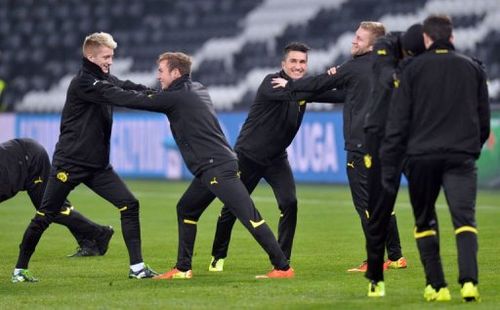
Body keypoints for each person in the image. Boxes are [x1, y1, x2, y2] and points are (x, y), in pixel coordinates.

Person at [91, 51, 294, 279]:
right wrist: (113, 81)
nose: (158, 76)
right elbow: (149, 93)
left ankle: (283, 268)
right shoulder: (196, 88)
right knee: (187, 208)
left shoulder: (176, 98)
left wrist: (98, 87)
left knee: (249, 215)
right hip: (213, 166)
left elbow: (133, 100)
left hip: (216, 167)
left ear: (175, 72)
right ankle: (183, 268)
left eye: (161, 71)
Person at [10, 32, 158, 283]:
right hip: (70, 163)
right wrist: (157, 104)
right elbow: (119, 95)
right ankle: (19, 270)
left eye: (112, 56)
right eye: (106, 56)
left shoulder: (103, 78)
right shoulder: (83, 83)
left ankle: (137, 268)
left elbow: (125, 85)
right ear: (90, 56)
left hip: (98, 166)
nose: (110, 61)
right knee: (46, 214)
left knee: (129, 204)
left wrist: (155, 93)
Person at [272, 21, 406, 273]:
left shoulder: (354, 67)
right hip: (387, 145)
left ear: (372, 44)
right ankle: (396, 256)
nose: (354, 41)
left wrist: (291, 86)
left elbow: (322, 82)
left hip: (360, 145)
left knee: (365, 205)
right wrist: (302, 94)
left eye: (359, 38)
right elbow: (341, 94)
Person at [380, 15, 490, 302]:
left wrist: (392, 161)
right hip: (461, 156)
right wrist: (471, 149)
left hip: (421, 158)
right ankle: (469, 283)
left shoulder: (411, 69)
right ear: (451, 37)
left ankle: (437, 286)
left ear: (427, 39)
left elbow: (398, 122)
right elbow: (484, 120)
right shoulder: (472, 68)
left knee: (424, 220)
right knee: (465, 220)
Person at [208, 42, 344, 272]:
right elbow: (293, 91)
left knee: (290, 203)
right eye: (293, 61)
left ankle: (283, 261)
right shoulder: (272, 82)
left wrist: (340, 77)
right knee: (233, 208)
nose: (298, 66)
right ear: (283, 64)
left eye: (302, 62)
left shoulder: (301, 87)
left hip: (276, 159)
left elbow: (340, 95)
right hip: (248, 156)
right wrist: (320, 80)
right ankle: (217, 255)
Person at [363, 24, 426, 297]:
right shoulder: (383, 46)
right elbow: (386, 74)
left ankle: (435, 281)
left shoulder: (420, 56)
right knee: (379, 207)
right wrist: (408, 72)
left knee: (424, 205)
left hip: (410, 137)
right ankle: (376, 276)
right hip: (380, 139)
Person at [1, 138, 114, 258]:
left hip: (30, 158)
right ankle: (88, 243)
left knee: (49, 209)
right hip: (23, 154)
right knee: (56, 205)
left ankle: (100, 233)